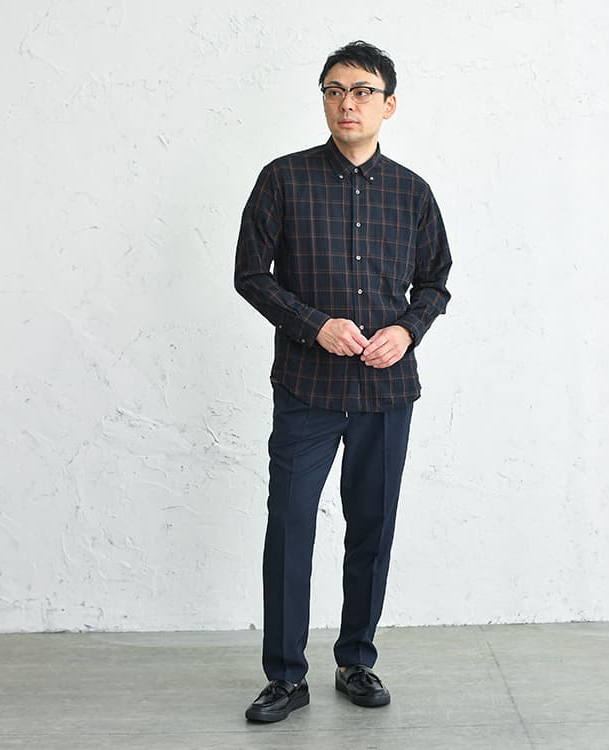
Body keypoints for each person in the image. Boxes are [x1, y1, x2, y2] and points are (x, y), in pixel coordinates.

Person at [234, 40, 452, 723]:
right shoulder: (283, 180)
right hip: (307, 387)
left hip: (387, 394)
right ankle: (285, 677)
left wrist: (408, 330)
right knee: (290, 525)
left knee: (373, 527)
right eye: (333, 90)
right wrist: (314, 325)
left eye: (361, 91)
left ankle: (356, 659)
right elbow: (250, 274)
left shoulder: (412, 193)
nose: (346, 103)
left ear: (389, 104)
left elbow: (435, 283)